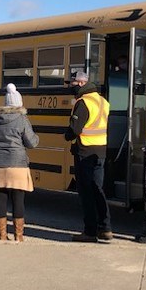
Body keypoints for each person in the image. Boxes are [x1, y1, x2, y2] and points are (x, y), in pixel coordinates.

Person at [0, 83, 39, 241]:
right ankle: (19, 236)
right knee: (18, 199)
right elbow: (32, 143)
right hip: (18, 165)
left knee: (1, 198)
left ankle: (2, 235)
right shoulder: (22, 119)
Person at [65, 71, 112, 243]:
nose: (70, 86)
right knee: (98, 190)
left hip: (84, 151)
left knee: (86, 192)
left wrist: (67, 135)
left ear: (80, 83)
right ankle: (105, 228)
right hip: (100, 151)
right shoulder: (102, 101)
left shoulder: (83, 102)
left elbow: (75, 129)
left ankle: (90, 232)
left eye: (72, 83)